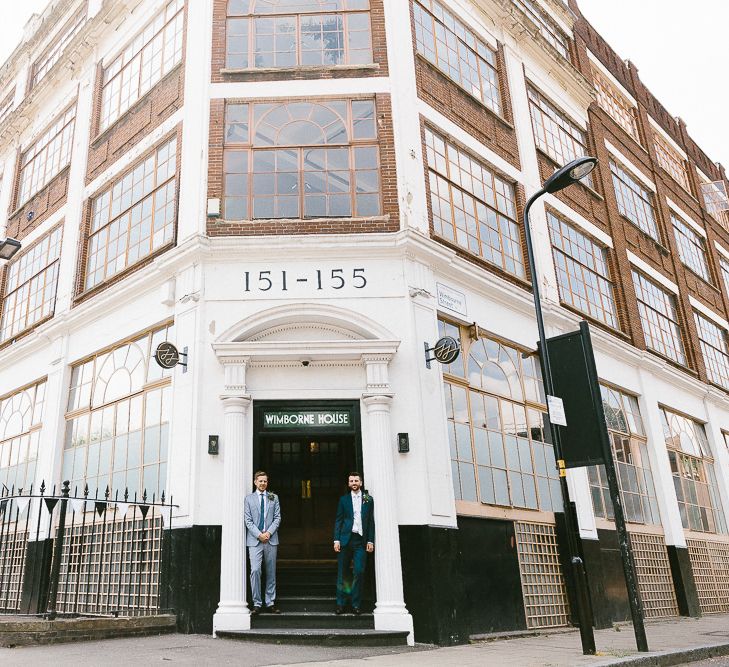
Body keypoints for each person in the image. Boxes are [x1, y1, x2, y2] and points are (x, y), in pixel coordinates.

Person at [333, 471, 374, 615]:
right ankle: (341, 604)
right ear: (349, 483)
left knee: (359, 571)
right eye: (351, 481)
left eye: (356, 480)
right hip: (345, 540)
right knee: (342, 573)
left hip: (360, 541)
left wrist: (370, 540)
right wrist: (336, 539)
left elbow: (370, 521)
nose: (354, 483)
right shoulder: (343, 500)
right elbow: (339, 520)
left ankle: (356, 604)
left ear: (361, 483)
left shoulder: (368, 500)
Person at [244, 470, 281, 615]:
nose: (263, 483)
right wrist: (259, 535)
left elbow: (277, 518)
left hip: (271, 540)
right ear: (255, 482)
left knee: (271, 572)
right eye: (260, 481)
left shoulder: (273, 498)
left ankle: (270, 602)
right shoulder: (248, 499)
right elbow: (248, 520)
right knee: (255, 570)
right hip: (255, 541)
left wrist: (268, 533)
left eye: (265, 481)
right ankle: (257, 603)